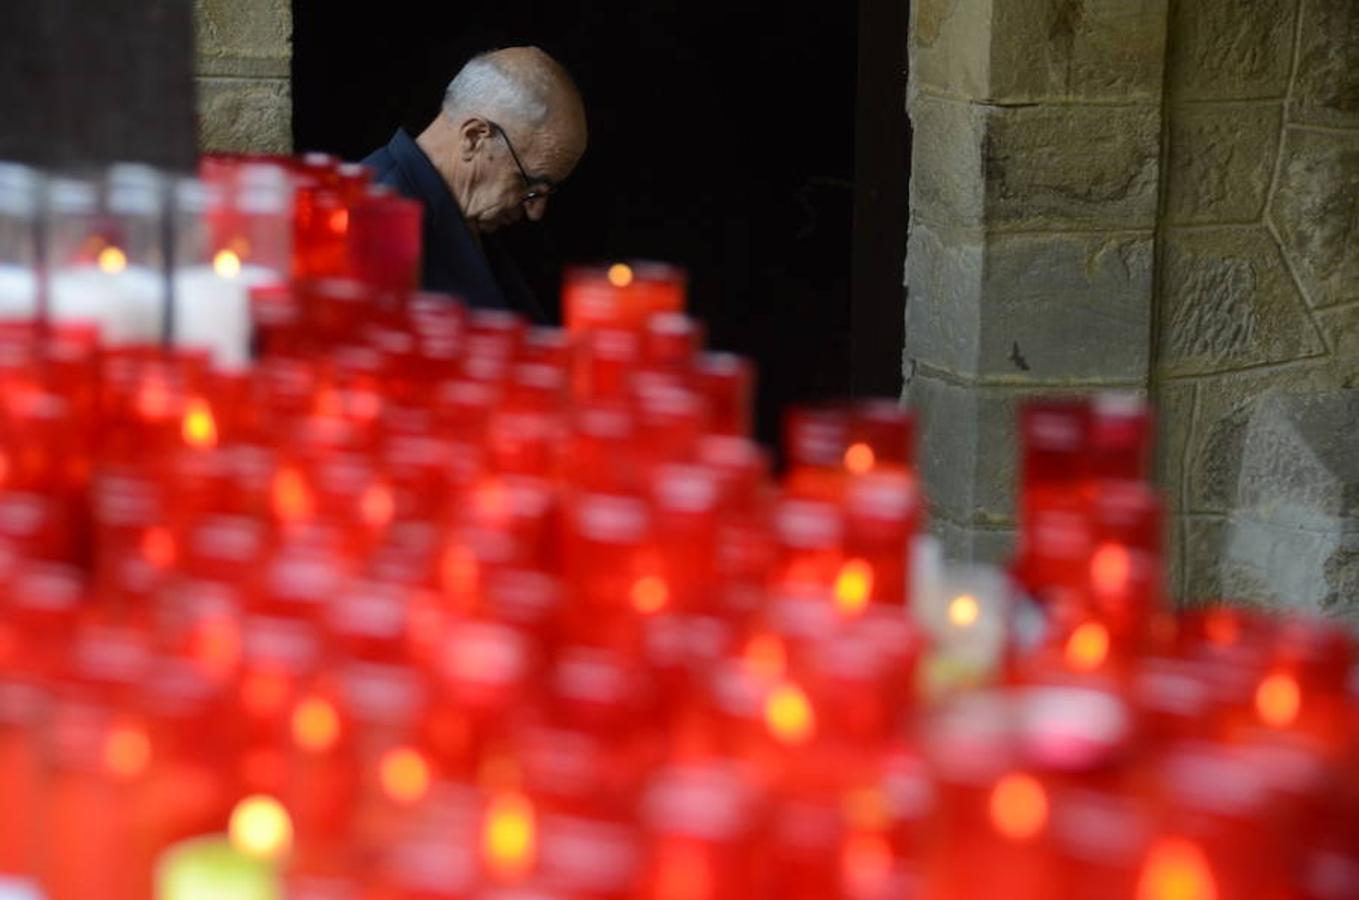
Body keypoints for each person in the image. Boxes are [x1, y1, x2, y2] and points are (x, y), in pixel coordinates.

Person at [362, 47, 588, 322]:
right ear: (474, 137)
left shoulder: (475, 212)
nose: (535, 212)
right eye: (529, 185)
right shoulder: (369, 220)